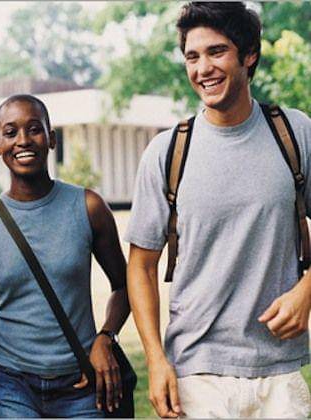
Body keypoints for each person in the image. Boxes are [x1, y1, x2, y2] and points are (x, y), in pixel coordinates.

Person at [126, 2, 311, 418]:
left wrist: (307, 290)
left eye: (217, 52)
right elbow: (141, 266)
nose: (203, 68)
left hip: (279, 371)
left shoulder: (294, 134)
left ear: (249, 55)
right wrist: (155, 359)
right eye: (192, 57)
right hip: (196, 372)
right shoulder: (167, 152)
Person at [0, 94, 131, 418]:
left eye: (34, 129)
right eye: (10, 132)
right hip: (11, 386)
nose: (23, 140)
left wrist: (106, 337)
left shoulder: (88, 208)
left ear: (51, 139)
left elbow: (125, 286)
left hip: (82, 382)